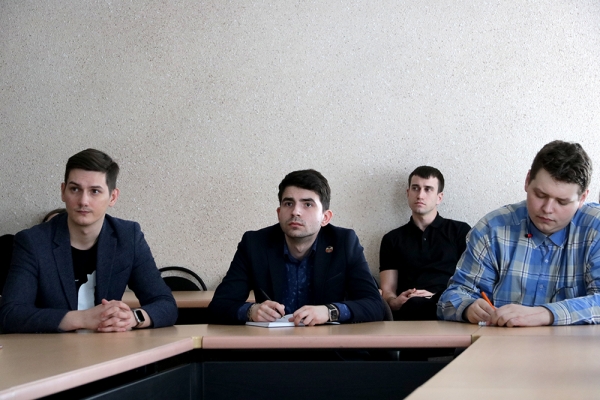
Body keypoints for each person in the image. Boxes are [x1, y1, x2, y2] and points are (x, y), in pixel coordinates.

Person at [0, 149, 177, 333]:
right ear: (63, 192)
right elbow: (10, 314)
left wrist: (133, 318)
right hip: (52, 347)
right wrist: (82, 318)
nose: (83, 201)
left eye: (95, 191)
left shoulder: (127, 237)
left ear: (113, 197)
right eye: (75, 189)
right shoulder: (33, 242)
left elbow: (166, 304)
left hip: (107, 346)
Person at [438, 140, 600, 326]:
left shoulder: (595, 229)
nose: (547, 209)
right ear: (527, 181)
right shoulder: (492, 229)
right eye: (540, 195)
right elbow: (450, 298)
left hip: (574, 345)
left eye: (562, 202)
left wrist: (545, 314)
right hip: (500, 343)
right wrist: (468, 307)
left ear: (582, 198)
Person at [209, 169, 385, 325]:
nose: (295, 212)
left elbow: (375, 305)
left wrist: (329, 312)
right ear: (279, 213)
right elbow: (219, 306)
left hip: (327, 345)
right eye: (288, 203)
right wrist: (251, 311)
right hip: (272, 346)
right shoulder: (255, 244)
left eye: (307, 204)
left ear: (325, 217)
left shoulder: (344, 242)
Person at [379, 166, 470, 320]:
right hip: (409, 310)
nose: (420, 195)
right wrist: (395, 302)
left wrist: (435, 296)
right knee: (414, 304)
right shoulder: (392, 239)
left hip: (448, 307)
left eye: (428, 189)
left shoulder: (460, 231)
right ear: (408, 193)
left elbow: (470, 283)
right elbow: (388, 291)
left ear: (439, 197)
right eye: (415, 188)